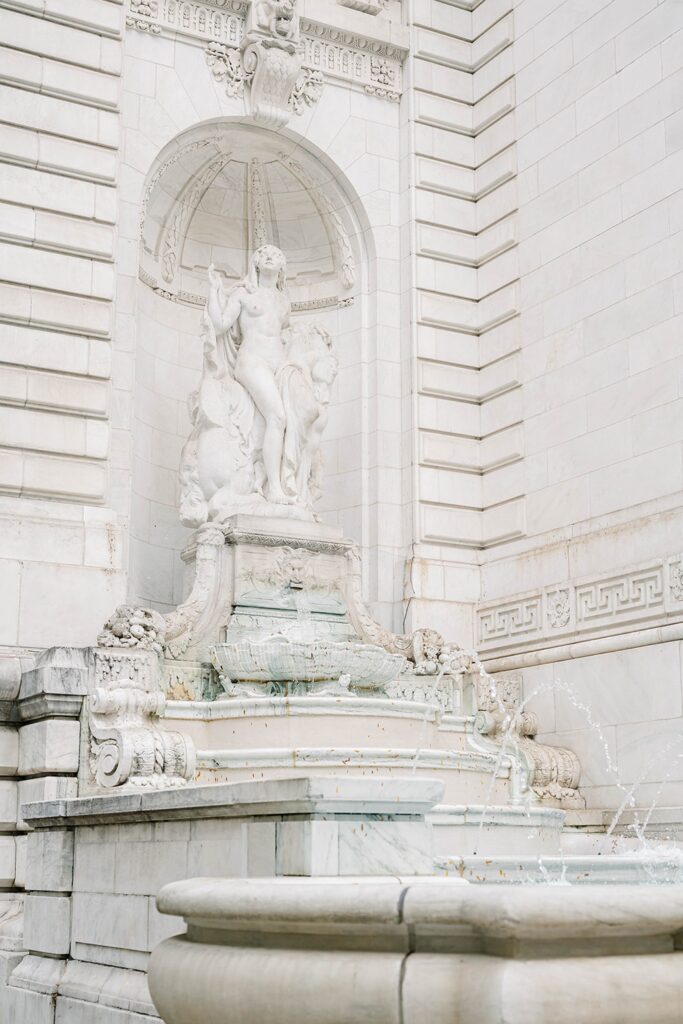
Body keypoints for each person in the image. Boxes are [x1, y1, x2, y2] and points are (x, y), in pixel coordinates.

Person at [206, 244, 293, 504]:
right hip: (252, 361)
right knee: (277, 416)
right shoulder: (244, 293)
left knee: (288, 421)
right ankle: (275, 488)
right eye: (264, 253)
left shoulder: (283, 301)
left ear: (282, 266)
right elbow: (221, 324)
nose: (269, 256)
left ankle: (274, 481)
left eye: (276, 254)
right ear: (256, 263)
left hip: (278, 364)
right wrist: (213, 290)